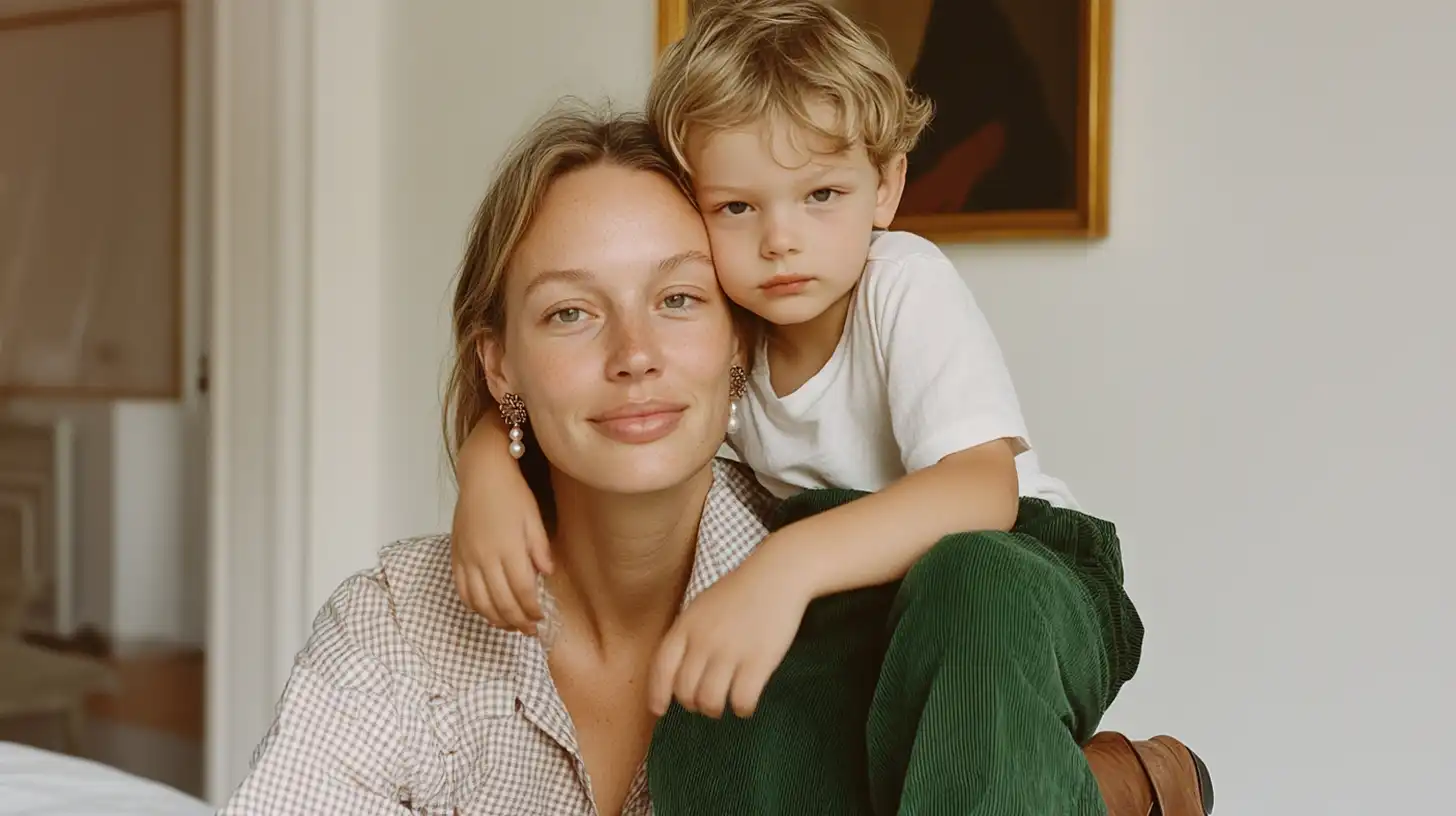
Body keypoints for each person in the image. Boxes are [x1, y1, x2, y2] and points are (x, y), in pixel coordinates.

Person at [219, 106, 1207, 814]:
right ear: (500, 361)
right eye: (570, 311)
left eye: (679, 300)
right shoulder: (398, 627)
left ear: (740, 339)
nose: (633, 351)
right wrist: (489, 450)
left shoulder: (847, 586)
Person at [445, 2, 1212, 813]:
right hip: (866, 605)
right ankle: (1104, 790)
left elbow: (983, 490)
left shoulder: (900, 285)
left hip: (1021, 569)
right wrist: (487, 471)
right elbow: (588, 394)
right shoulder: (724, 341)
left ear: (886, 188)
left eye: (820, 194)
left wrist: (785, 568)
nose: (781, 239)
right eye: (738, 207)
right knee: (718, 714)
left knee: (964, 588)